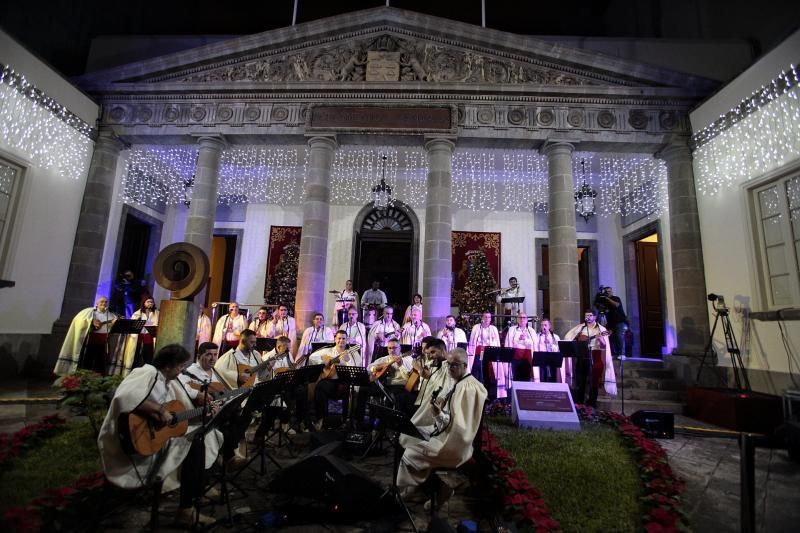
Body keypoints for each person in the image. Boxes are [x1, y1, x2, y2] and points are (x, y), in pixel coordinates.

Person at [97, 344, 223, 527]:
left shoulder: (165, 380)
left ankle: (192, 497)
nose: (181, 371)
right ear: (168, 366)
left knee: (199, 437)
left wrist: (204, 412)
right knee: (195, 444)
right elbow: (124, 397)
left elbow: (174, 415)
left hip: (155, 437)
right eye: (180, 367)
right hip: (131, 441)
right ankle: (186, 509)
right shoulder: (147, 373)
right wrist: (158, 410)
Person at [397, 348, 487, 510]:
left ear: (465, 365)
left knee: (410, 452)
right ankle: (418, 488)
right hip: (449, 434)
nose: (450, 368)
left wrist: (438, 414)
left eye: (455, 365)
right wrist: (439, 409)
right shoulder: (462, 383)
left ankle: (440, 490)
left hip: (454, 444)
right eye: (449, 364)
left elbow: (457, 425)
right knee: (407, 436)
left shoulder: (467, 388)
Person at [563, 309, 617, 406]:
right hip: (582, 356)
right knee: (580, 381)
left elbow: (605, 347)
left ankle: (591, 404)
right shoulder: (580, 328)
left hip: (595, 356)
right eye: (586, 315)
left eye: (590, 315)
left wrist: (601, 340)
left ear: (595, 317)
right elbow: (569, 338)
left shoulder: (601, 330)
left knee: (593, 382)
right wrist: (577, 340)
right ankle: (579, 404)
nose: (587, 317)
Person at [309, 330, 361, 430]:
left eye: (343, 338)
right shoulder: (328, 351)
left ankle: (345, 420)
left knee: (347, 389)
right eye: (339, 338)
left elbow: (357, 369)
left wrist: (347, 361)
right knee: (320, 386)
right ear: (335, 339)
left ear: (347, 340)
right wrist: (324, 360)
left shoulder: (353, 353)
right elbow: (312, 357)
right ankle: (321, 418)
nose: (341, 340)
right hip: (331, 380)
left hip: (346, 381)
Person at [54, 297, 118, 376]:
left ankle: (98, 378)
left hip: (103, 343)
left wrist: (114, 324)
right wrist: (90, 321)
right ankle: (83, 377)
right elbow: (78, 320)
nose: (104, 303)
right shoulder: (88, 312)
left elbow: (113, 329)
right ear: (97, 304)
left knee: (100, 362)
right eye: (102, 302)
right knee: (87, 361)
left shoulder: (111, 315)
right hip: (89, 341)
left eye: (106, 302)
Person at [357, 338, 418, 420]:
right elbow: (369, 369)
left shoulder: (407, 359)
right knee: (362, 389)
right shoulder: (384, 359)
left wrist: (400, 365)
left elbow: (408, 378)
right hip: (384, 384)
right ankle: (360, 421)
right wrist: (376, 367)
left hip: (399, 386)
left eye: (394, 348)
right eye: (389, 348)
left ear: (400, 348)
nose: (392, 350)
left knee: (394, 397)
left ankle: (384, 424)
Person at [113, 296, 159, 376]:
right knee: (135, 356)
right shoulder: (138, 313)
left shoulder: (157, 313)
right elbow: (131, 326)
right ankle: (132, 373)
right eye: (148, 302)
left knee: (148, 357)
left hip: (149, 338)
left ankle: (147, 374)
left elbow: (158, 325)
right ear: (144, 303)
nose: (150, 303)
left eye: (151, 302)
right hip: (138, 338)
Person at [467, 311, 500, 397]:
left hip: (489, 352)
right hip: (480, 351)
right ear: (482, 318)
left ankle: (488, 392)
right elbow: (472, 340)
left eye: (488, 317)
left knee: (488, 372)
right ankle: (477, 391)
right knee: (479, 369)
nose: (486, 319)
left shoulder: (493, 328)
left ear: (490, 319)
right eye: (485, 317)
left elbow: (496, 341)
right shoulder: (477, 327)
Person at [594, 286, 628, 358]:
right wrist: (598, 297)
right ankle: (614, 354)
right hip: (610, 323)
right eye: (606, 292)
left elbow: (616, 305)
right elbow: (598, 307)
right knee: (611, 338)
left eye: (609, 291)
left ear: (612, 292)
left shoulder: (616, 298)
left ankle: (622, 354)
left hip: (620, 321)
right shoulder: (604, 301)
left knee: (619, 337)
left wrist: (607, 298)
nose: (607, 293)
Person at [504, 312, 536, 381]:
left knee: (526, 377)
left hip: (527, 358)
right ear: (517, 320)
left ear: (527, 320)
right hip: (515, 356)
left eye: (524, 318)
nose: (522, 319)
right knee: (515, 377)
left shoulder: (531, 331)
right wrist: (519, 340)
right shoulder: (512, 329)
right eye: (520, 317)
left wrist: (525, 340)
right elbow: (509, 342)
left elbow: (533, 344)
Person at [533, 318, 564, 383]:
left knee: (552, 378)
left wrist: (550, 343)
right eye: (542, 325)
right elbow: (535, 347)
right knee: (542, 377)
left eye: (545, 325)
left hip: (552, 360)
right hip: (541, 360)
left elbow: (557, 349)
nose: (543, 327)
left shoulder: (555, 337)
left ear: (549, 326)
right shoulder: (537, 336)